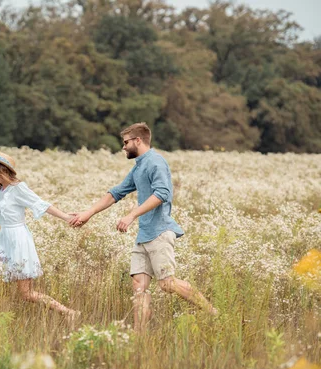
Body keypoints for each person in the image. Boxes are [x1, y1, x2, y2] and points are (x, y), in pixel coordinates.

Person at [70, 123, 216, 332]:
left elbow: (162, 193)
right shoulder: (139, 166)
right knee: (139, 286)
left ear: (138, 141)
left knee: (167, 284)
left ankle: (212, 313)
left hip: (159, 232)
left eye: (126, 142)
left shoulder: (156, 162)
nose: (123, 147)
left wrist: (131, 215)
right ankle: (140, 338)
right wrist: (88, 213)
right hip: (144, 235)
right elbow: (116, 192)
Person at [0, 152, 80, 320]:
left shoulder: (18, 188)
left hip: (19, 239)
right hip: (4, 239)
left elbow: (41, 204)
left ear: (4, 171)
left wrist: (65, 217)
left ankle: (69, 313)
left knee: (26, 293)